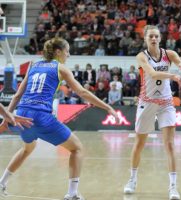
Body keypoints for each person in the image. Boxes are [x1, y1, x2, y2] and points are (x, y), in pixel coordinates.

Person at [0, 37, 120, 200]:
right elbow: (83, 93)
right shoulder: (60, 68)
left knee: (27, 149)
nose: (68, 55)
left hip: (22, 115)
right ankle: (72, 193)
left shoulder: (33, 66)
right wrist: (108, 107)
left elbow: (17, 95)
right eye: (67, 51)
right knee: (76, 148)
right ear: (58, 52)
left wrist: (6, 119)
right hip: (40, 116)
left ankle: (2, 182)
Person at [123, 25, 181, 200]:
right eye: (150, 36)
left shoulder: (170, 54)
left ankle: (173, 187)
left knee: (170, 145)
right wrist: (173, 76)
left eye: (156, 36)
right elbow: (152, 74)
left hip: (166, 103)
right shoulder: (141, 56)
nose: (154, 39)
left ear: (160, 38)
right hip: (147, 102)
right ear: (145, 39)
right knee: (139, 144)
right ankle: (132, 179)